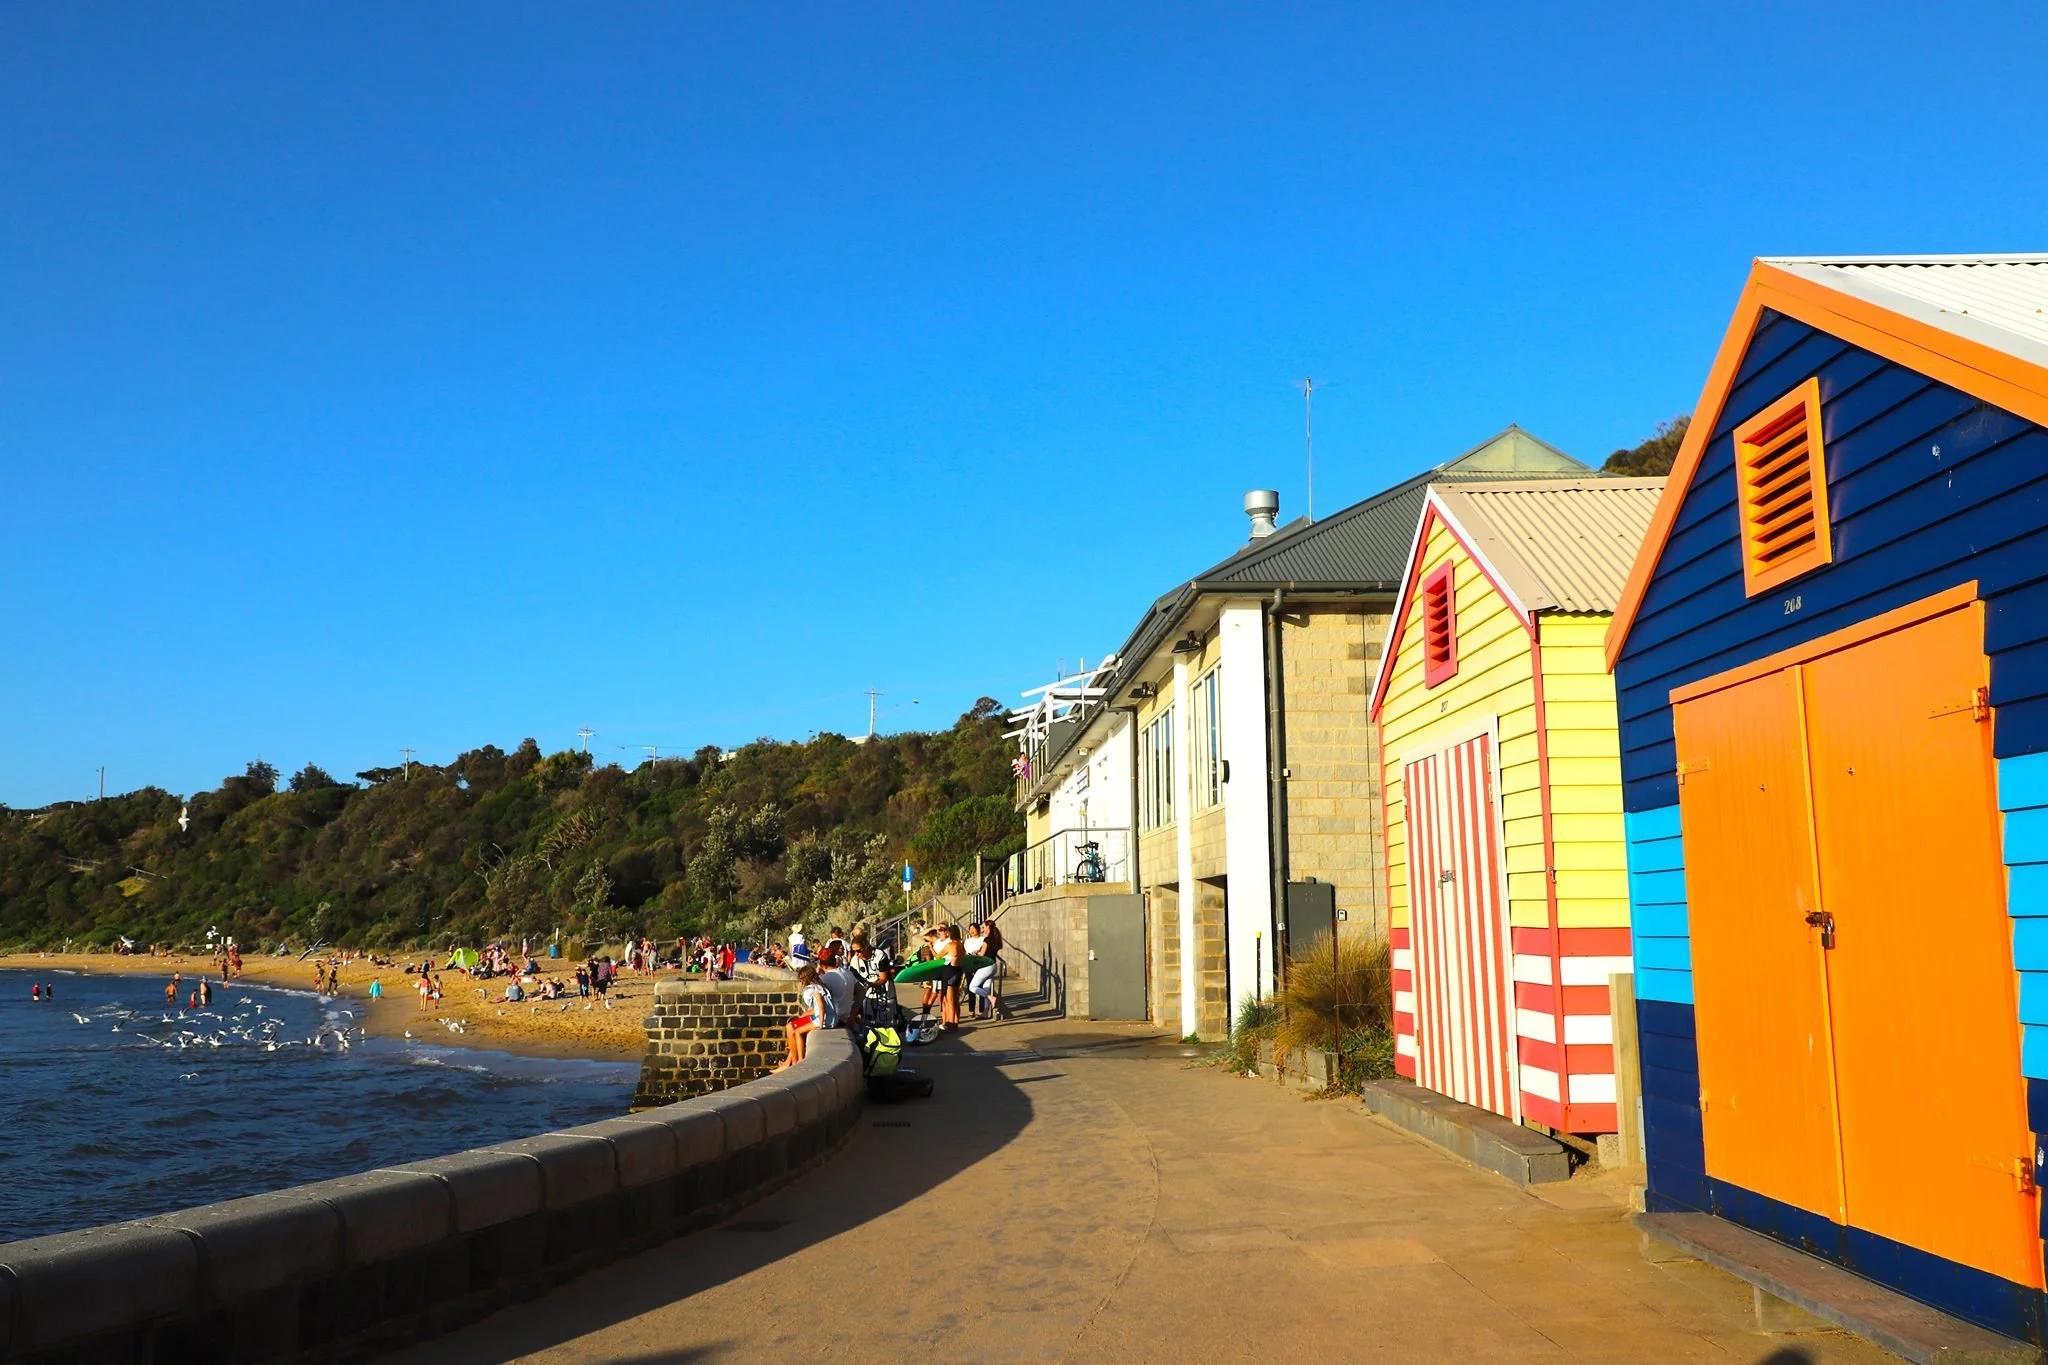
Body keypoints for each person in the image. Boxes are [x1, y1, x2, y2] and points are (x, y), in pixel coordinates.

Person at [775, 964, 831, 1070]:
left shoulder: (814, 989)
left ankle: (794, 1062)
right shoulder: (820, 986)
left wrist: (818, 1022)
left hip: (819, 1018)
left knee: (791, 1028)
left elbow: (820, 1007)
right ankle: (789, 1062)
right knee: (792, 1028)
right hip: (818, 1017)